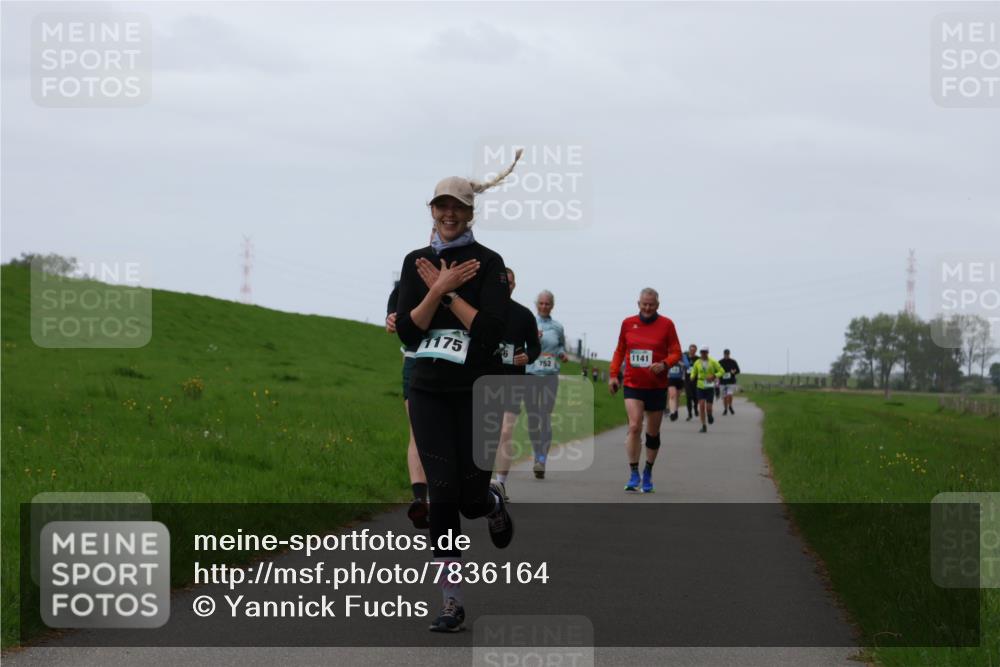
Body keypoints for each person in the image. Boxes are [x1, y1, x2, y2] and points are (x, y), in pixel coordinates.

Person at [394, 151, 521, 632]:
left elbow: (489, 332)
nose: (449, 214)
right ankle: (451, 600)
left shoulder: (489, 264)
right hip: (427, 390)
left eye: (458, 207)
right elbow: (408, 332)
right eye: (441, 206)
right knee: (442, 497)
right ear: (431, 210)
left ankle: (492, 504)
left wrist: (449, 293)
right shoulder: (415, 261)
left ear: (471, 212)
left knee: (469, 499)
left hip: (474, 391)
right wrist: (433, 289)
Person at [608, 288, 681, 493]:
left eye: (651, 304)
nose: (647, 308)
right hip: (633, 384)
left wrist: (664, 364)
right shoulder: (627, 323)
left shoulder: (667, 325)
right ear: (638, 304)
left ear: (657, 305)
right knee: (634, 426)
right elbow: (620, 350)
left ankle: (648, 471)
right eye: (644, 304)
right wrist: (614, 374)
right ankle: (633, 473)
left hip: (656, 386)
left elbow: (676, 352)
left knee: (652, 433)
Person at [492, 267, 542, 502]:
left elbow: (534, 346)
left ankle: (500, 484)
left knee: (505, 431)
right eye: (503, 281)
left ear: (514, 285)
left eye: (510, 282)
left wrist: (528, 357)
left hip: (513, 381)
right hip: (483, 380)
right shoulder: (482, 310)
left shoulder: (524, 315)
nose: (507, 285)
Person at [385, 283, 430, 529]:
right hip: (415, 360)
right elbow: (398, 294)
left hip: (455, 365)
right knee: (417, 432)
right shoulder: (415, 265)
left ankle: (444, 494)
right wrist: (391, 315)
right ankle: (420, 500)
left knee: (445, 433)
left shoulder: (466, 269)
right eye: (435, 239)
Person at [525, 290, 567, 479]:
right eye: (541, 303)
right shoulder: (528, 323)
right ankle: (536, 454)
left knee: (545, 416)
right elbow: (521, 346)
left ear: (552, 305)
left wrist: (562, 354)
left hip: (550, 376)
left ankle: (542, 459)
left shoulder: (557, 327)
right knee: (533, 418)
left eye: (547, 304)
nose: (544, 307)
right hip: (531, 375)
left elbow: (560, 347)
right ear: (536, 304)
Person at [689, 346, 725, 433]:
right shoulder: (697, 362)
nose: (703, 354)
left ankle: (709, 415)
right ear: (700, 353)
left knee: (708, 408)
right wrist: (692, 376)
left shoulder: (713, 361)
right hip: (700, 385)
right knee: (701, 406)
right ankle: (703, 425)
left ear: (708, 353)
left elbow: (722, 371)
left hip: (709, 386)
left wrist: (714, 376)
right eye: (702, 352)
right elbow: (693, 371)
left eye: (705, 352)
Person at [665, 348, 690, 422]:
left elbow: (687, 365)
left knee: (677, 397)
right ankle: (672, 413)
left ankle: (675, 410)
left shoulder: (682, 356)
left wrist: (678, 362)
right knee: (672, 395)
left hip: (680, 379)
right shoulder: (667, 355)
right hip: (670, 378)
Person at [719, 348, 741, 415]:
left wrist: (734, 372)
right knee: (724, 397)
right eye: (725, 354)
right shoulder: (720, 362)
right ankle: (725, 409)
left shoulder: (733, 362)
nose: (726, 355)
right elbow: (716, 370)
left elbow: (738, 370)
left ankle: (730, 406)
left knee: (729, 395)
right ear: (723, 354)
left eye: (727, 354)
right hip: (722, 382)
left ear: (729, 354)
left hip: (731, 381)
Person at [682, 344, 699, 421]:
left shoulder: (698, 359)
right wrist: (682, 365)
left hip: (696, 380)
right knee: (688, 397)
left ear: (695, 351)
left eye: (694, 350)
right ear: (689, 350)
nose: (692, 351)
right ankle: (689, 414)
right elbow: (679, 362)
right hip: (687, 380)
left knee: (695, 397)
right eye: (691, 350)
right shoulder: (685, 358)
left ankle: (695, 408)